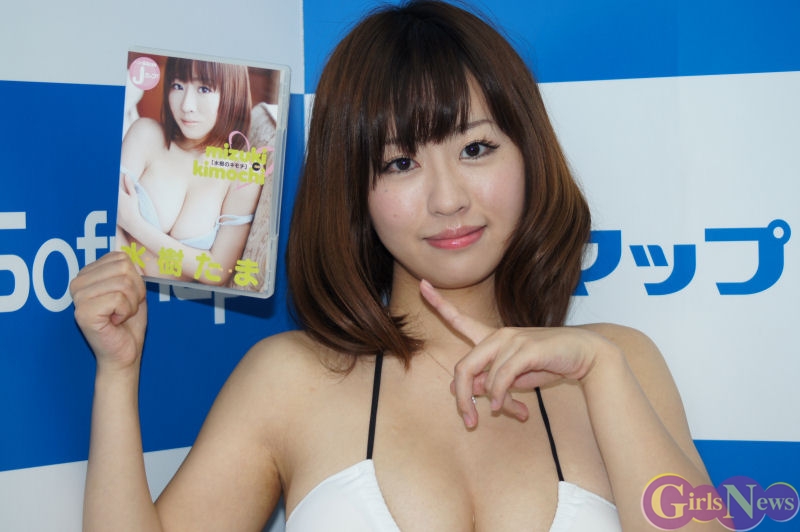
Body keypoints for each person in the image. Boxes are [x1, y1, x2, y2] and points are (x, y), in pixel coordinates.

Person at [70, 1, 723, 530]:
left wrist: (600, 371)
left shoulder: (621, 364)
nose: (448, 199)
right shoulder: (289, 381)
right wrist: (117, 374)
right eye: (400, 162)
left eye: (476, 148)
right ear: (355, 190)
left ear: (528, 154)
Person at [116, 56, 261, 286]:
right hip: (121, 291)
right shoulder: (146, 134)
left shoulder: (243, 174)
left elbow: (217, 272)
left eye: (204, 88)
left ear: (233, 92)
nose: (186, 106)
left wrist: (135, 224)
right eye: (177, 85)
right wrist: (130, 285)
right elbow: (110, 219)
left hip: (180, 304)